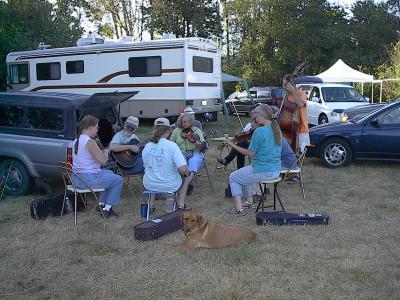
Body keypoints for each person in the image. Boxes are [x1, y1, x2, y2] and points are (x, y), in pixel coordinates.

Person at [224, 104, 282, 215]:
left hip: (263, 170)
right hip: (276, 170)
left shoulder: (260, 131)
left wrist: (232, 145)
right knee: (244, 174)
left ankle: (239, 209)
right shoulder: (277, 129)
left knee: (233, 177)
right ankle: (249, 202)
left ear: (262, 115)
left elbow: (250, 154)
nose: (254, 118)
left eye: (255, 115)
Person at [72, 115, 123, 218]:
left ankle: (101, 205)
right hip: (87, 179)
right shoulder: (90, 142)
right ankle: (107, 210)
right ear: (90, 128)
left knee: (109, 174)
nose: (97, 130)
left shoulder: (76, 140)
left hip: (76, 178)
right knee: (118, 179)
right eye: (96, 127)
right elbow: (103, 161)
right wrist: (106, 152)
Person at [142, 117, 189, 210]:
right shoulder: (172, 146)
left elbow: (145, 165)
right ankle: (181, 205)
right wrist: (187, 171)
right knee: (186, 177)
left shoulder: (147, 146)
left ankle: (150, 206)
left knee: (154, 174)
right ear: (168, 131)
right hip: (169, 185)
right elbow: (183, 169)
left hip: (149, 184)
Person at [170, 112, 206, 208]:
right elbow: (171, 144)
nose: (186, 124)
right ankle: (184, 184)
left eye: (187, 122)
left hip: (195, 152)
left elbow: (203, 145)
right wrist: (183, 138)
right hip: (181, 152)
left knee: (194, 161)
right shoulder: (177, 131)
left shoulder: (196, 130)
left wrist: (199, 144)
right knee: (182, 164)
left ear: (191, 122)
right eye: (184, 122)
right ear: (181, 122)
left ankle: (187, 181)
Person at [217, 105, 260, 169]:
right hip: (247, 142)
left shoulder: (258, 123)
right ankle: (240, 169)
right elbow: (244, 133)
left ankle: (227, 161)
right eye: (251, 113)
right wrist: (239, 135)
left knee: (239, 145)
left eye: (254, 113)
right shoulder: (250, 124)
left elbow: (251, 135)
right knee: (240, 147)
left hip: (254, 144)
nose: (252, 115)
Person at [282, 74, 310, 153]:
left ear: (292, 84)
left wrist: (293, 92)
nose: (284, 87)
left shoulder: (302, 93)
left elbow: (301, 104)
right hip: (290, 129)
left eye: (285, 85)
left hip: (301, 130)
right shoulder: (286, 95)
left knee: (300, 155)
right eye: (283, 85)